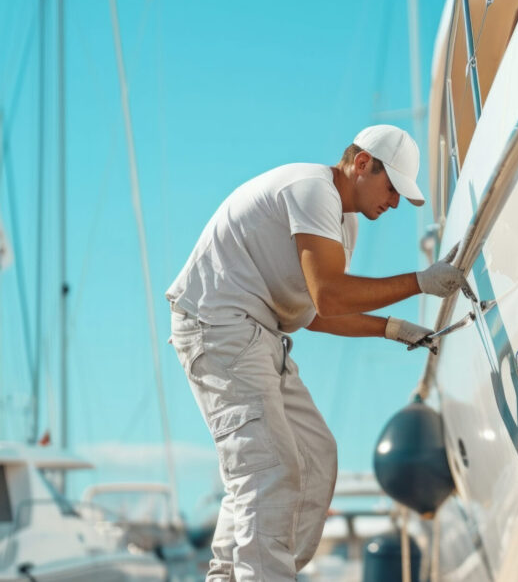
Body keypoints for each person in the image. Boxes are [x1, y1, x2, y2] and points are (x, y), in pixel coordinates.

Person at [166, 124, 471, 581]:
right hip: (219, 326)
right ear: (361, 163)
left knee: (315, 454)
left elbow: (314, 310)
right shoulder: (313, 191)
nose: (392, 203)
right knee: (267, 466)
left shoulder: (341, 219)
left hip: (257, 332)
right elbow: (330, 295)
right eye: (391, 188)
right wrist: (419, 282)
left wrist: (391, 328)